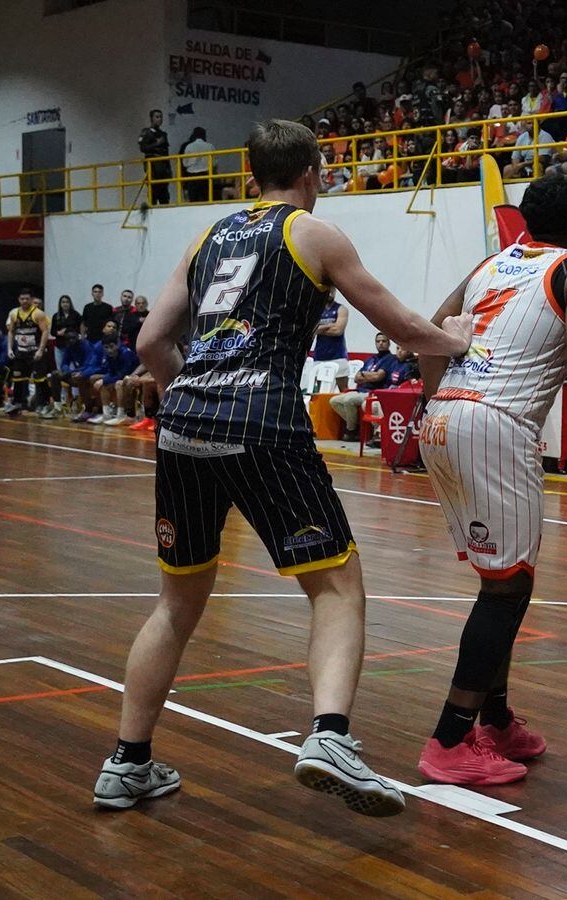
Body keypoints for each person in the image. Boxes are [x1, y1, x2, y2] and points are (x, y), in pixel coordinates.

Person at [96, 119, 474, 815]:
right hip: (262, 417)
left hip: (183, 426)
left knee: (177, 602)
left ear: (249, 173)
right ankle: (329, 735)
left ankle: (128, 762)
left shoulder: (207, 236)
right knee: (335, 585)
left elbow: (151, 340)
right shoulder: (311, 233)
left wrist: (190, 396)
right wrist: (451, 339)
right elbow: (400, 325)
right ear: (311, 173)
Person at [413, 172, 567, 785]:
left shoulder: (487, 267)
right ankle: (449, 740)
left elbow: (426, 337)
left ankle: (494, 719)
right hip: (495, 424)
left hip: (442, 418)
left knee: (502, 581)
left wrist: (437, 400)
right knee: (507, 590)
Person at [329, 332, 403, 441]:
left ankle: (351, 430)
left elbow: (378, 377)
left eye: (383, 341)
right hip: (360, 390)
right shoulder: (371, 359)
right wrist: (368, 376)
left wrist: (365, 375)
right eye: (378, 341)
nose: (381, 344)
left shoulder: (390, 359)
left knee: (349, 400)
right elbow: (356, 377)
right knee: (334, 401)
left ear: (389, 343)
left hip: (373, 392)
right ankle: (358, 425)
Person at [4, 291, 53, 417]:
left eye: (27, 299)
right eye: (22, 299)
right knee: (18, 378)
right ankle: (18, 403)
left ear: (31, 300)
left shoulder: (38, 314)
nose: (24, 301)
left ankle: (44, 404)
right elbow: (11, 332)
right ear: (18, 299)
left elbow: (45, 332)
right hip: (20, 351)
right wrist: (10, 348)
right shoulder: (14, 313)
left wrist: (41, 350)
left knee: (39, 378)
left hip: (34, 351)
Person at [312, 295, 350, 390]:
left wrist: (320, 327)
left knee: (343, 390)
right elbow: (311, 330)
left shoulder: (341, 309)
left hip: (338, 356)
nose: (330, 293)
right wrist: (329, 326)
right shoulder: (316, 309)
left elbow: (338, 330)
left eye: (333, 290)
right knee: (320, 390)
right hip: (320, 356)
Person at [139, 109, 172, 205]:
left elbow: (166, 152)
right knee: (153, 191)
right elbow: (143, 148)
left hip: (163, 166)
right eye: (157, 117)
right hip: (153, 165)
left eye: (161, 117)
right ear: (151, 119)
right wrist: (156, 143)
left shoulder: (163, 134)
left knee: (164, 195)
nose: (159, 119)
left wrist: (169, 169)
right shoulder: (146, 132)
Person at [180, 127, 215, 203]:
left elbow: (185, 163)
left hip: (192, 177)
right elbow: (214, 163)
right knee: (206, 200)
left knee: (193, 201)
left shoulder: (189, 147)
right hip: (206, 176)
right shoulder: (210, 146)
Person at [51, 295, 81, 375]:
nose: (65, 304)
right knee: (60, 369)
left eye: (67, 302)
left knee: (72, 369)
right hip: (59, 345)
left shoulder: (76, 315)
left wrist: (67, 331)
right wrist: (58, 333)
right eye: (63, 302)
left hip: (72, 346)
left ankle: (74, 387)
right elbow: (52, 331)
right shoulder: (56, 316)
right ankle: (63, 388)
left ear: (70, 303)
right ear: (60, 304)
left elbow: (79, 330)